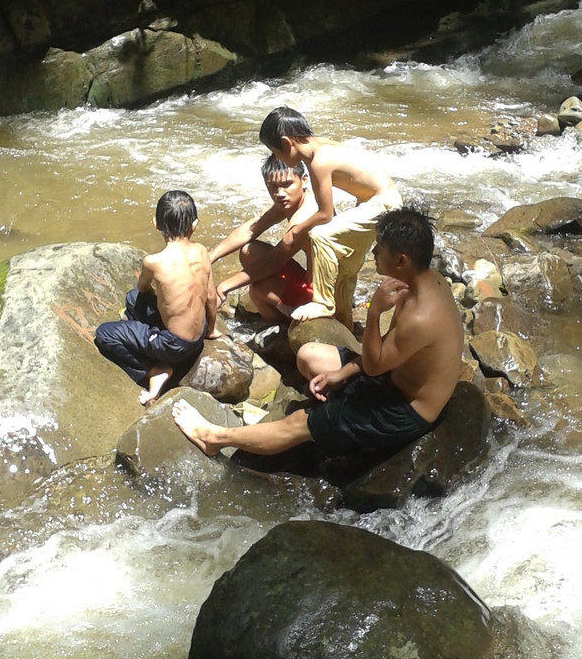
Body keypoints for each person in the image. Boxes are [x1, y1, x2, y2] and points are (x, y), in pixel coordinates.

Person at [172, 206, 463, 457]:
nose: (373, 253)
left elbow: (375, 366)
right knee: (310, 355)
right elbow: (392, 348)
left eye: (379, 248)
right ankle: (336, 417)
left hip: (404, 412)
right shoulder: (427, 281)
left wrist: (374, 312)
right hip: (392, 377)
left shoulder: (422, 315)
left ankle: (213, 439)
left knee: (299, 422)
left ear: (401, 261)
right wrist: (342, 374)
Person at [258, 106, 402, 328]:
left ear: (287, 143)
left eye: (275, 151)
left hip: (382, 202)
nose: (277, 158)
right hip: (373, 202)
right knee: (345, 266)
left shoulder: (318, 162)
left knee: (320, 235)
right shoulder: (318, 146)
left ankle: (323, 303)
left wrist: (296, 230)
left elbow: (325, 215)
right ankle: (344, 323)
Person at [94, 190, 219, 405]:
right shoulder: (202, 252)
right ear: (195, 224)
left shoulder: (154, 262)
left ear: (156, 224)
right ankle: (150, 338)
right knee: (133, 300)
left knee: (105, 334)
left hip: (173, 345)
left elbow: (143, 288)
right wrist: (210, 330)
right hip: (197, 336)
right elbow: (211, 297)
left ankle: (155, 370)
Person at [209, 155, 318, 323]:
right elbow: (251, 229)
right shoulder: (293, 199)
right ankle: (281, 305)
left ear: (304, 180)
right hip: (309, 279)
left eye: (286, 184)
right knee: (249, 251)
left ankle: (281, 328)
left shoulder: (305, 216)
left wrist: (224, 287)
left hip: (321, 296)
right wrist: (210, 258)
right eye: (273, 186)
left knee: (258, 289)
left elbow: (273, 262)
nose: (279, 193)